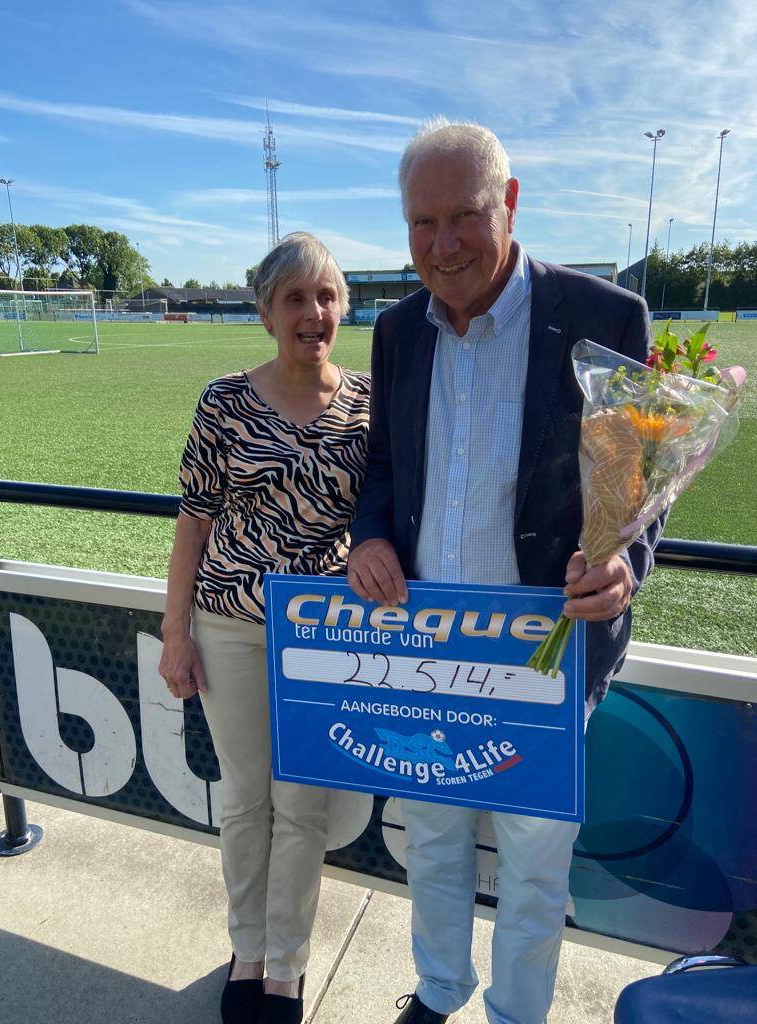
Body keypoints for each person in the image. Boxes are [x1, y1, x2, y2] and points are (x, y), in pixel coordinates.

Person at [347, 120, 663, 1024]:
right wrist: (370, 536)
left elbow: (637, 484)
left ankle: (517, 1015)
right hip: (428, 647)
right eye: (422, 222)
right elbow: (383, 466)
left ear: (510, 203)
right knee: (433, 841)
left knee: (533, 864)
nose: (442, 244)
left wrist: (625, 564)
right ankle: (438, 990)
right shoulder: (397, 329)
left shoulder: (605, 316)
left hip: (544, 651)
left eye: (465, 215)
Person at [159, 232, 370, 1024]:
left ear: (342, 308)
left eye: (327, 297)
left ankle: (286, 967)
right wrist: (175, 631)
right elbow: (193, 520)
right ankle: (247, 950)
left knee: (304, 806)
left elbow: (384, 517)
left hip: (322, 637)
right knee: (248, 801)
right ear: (266, 312)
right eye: (295, 298)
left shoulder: (369, 404)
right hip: (229, 626)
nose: (314, 313)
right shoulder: (223, 401)